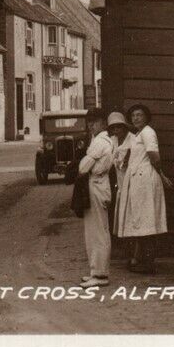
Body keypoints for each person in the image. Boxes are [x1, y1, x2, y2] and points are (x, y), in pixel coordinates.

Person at [113, 104, 168, 273]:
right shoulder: (138, 134)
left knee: (147, 221)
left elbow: (154, 156)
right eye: (134, 116)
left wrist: (162, 174)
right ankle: (142, 260)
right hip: (139, 181)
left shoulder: (148, 132)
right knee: (142, 220)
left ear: (146, 117)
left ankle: (148, 264)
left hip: (145, 181)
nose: (136, 118)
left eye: (140, 115)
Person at [76, 109, 118, 286]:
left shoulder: (101, 141)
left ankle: (100, 274)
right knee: (95, 230)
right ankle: (96, 271)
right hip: (97, 183)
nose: (91, 125)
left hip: (97, 183)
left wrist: (84, 162)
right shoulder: (101, 140)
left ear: (103, 123)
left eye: (94, 122)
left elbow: (83, 167)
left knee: (98, 231)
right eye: (89, 122)